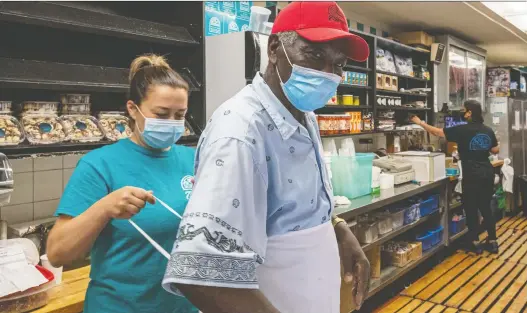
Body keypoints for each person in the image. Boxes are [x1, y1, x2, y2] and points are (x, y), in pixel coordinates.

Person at [162, 2, 370, 313]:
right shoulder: (241, 132)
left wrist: (337, 228)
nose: (327, 74)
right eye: (314, 56)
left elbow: (293, 209)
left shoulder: (303, 114)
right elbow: (201, 275)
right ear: (274, 49)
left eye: (337, 65)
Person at [46, 54, 198, 313]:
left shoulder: (193, 159)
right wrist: (105, 208)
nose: (172, 123)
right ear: (132, 108)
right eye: (161, 114)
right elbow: (58, 253)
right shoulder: (99, 165)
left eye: (179, 115)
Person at [411, 100, 499, 254]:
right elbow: (495, 149)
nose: (463, 113)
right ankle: (493, 242)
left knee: (471, 208)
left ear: (470, 113)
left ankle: (475, 243)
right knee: (485, 207)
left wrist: (420, 122)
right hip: (487, 173)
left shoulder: (463, 130)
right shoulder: (487, 130)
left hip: (472, 174)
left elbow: (437, 132)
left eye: (464, 110)